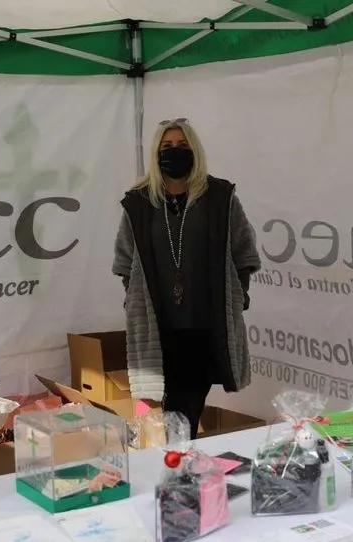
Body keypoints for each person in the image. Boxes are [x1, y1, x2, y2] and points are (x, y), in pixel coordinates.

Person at [112, 118, 261, 438]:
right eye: (166, 147)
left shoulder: (219, 197)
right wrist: (133, 296)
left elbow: (244, 251)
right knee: (167, 408)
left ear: (195, 151)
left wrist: (239, 295)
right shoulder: (138, 202)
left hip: (202, 327)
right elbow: (125, 259)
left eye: (182, 146)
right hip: (157, 326)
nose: (175, 152)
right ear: (155, 153)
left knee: (186, 406)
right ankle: (175, 468)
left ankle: (177, 468)